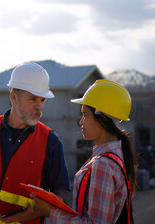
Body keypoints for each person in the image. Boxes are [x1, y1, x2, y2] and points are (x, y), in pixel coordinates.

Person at [0, 62, 70, 224]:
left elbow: (61, 192)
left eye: (42, 100)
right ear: (13, 96)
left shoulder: (50, 141)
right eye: (32, 99)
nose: (39, 106)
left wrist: (34, 213)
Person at [33, 79, 138, 224]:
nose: (81, 121)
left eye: (85, 114)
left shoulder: (103, 165)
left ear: (102, 120)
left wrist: (50, 211)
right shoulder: (115, 156)